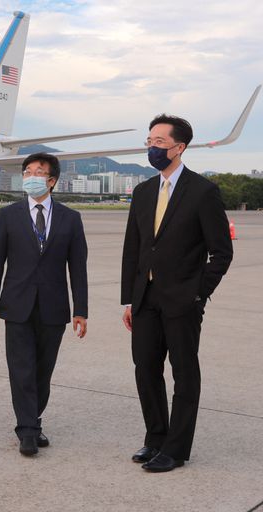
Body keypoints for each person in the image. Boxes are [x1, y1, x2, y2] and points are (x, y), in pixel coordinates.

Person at [121, 114, 233, 472]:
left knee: (184, 373)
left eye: (159, 143)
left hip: (183, 301)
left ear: (179, 147)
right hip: (145, 299)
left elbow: (221, 252)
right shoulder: (142, 192)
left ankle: (176, 448)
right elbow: (133, 249)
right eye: (149, 141)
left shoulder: (203, 192)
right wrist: (129, 298)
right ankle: (155, 439)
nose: (152, 148)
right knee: (145, 369)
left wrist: (198, 293)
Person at [0, 152, 87, 456]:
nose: (30, 177)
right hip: (16, 305)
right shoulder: (8, 215)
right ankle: (27, 430)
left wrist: (81, 309)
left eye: (38, 172)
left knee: (43, 371)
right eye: (27, 172)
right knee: (21, 369)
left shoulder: (71, 218)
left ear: (52, 180)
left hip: (54, 307)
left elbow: (78, 268)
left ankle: (34, 419)